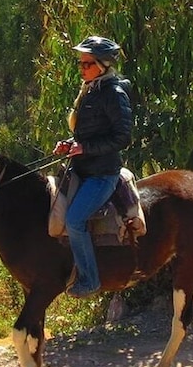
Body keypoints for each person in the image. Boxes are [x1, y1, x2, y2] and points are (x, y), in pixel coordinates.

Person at [53, 36, 133, 298]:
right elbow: (88, 133)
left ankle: (90, 279)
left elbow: (123, 137)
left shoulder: (113, 94)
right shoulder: (90, 90)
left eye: (87, 64)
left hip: (102, 174)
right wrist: (70, 144)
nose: (82, 68)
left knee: (74, 220)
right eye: (81, 63)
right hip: (82, 169)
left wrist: (85, 148)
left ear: (103, 65)